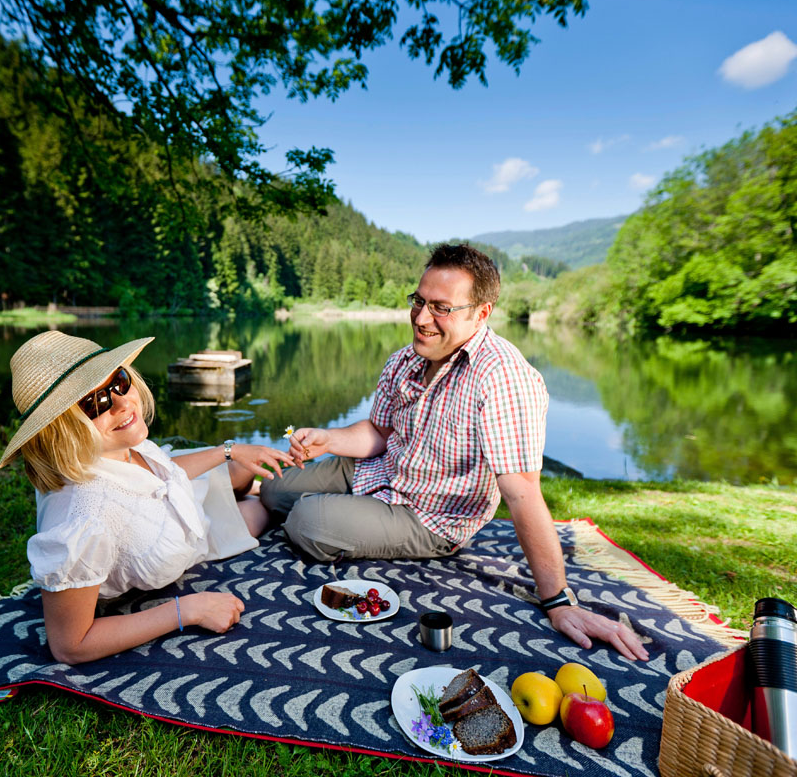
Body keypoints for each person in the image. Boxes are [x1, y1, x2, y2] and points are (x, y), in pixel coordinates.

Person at [260, 244, 649, 661]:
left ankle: (333, 515)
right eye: (419, 301)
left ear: (481, 312)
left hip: (431, 515)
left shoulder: (503, 378)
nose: (422, 319)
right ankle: (323, 507)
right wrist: (330, 438)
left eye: (440, 308)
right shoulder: (407, 357)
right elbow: (378, 431)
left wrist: (557, 600)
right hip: (385, 468)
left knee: (305, 520)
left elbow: (522, 494)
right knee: (272, 488)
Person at [0, 331, 295, 663]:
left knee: (244, 470)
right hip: (187, 539)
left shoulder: (113, 446)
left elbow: (160, 471)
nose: (124, 403)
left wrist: (228, 450)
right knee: (268, 507)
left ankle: (252, 484)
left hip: (177, 502)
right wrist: (186, 610)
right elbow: (70, 645)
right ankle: (279, 493)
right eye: (97, 402)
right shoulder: (84, 518)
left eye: (120, 381)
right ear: (62, 429)